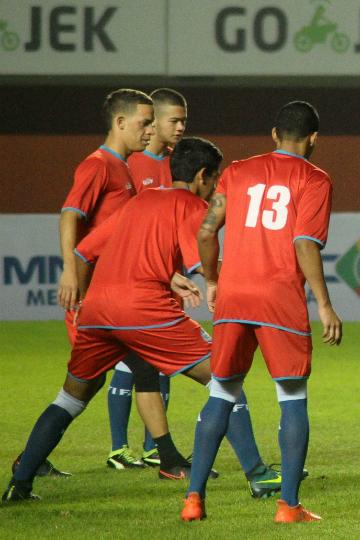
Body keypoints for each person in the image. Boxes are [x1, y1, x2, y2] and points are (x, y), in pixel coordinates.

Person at [2, 138, 280, 501]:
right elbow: (203, 262)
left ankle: (19, 485)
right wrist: (223, 278)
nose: (215, 188)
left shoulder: (139, 201)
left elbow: (84, 253)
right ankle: (258, 475)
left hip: (98, 312)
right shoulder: (192, 206)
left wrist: (88, 304)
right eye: (215, 180)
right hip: (144, 308)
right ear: (202, 176)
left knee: (71, 397)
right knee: (224, 376)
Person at [180, 101, 341, 523]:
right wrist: (324, 303)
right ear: (313, 139)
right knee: (291, 397)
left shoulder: (236, 172)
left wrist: (212, 281)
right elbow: (305, 243)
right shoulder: (314, 179)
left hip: (234, 294)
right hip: (278, 297)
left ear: (274, 134)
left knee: (222, 391)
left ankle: (193, 500)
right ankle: (288, 505)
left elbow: (206, 230)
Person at [19, 89, 155, 477]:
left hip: (107, 300)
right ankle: (170, 458)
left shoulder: (123, 167)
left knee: (88, 388)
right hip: (90, 302)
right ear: (120, 122)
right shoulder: (98, 165)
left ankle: (28, 465)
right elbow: (69, 215)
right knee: (94, 385)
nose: (149, 131)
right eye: (144, 123)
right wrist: (68, 270)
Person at [105, 88, 189, 469]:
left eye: (183, 120)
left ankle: (154, 447)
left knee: (160, 361)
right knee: (132, 364)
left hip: (168, 277)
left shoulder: (177, 166)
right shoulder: (131, 166)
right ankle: (119, 447)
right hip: (137, 281)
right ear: (152, 122)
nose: (181, 127)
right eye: (175, 120)